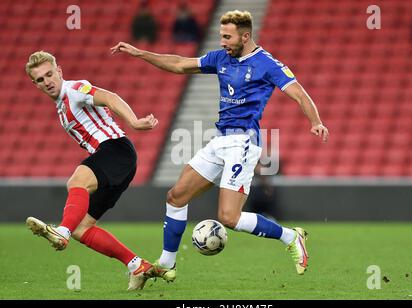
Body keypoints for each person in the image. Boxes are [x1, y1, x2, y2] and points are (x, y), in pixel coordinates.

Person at [111, 10, 329, 281]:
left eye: (227, 37)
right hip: (220, 139)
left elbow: (299, 93)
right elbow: (179, 64)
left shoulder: (267, 64)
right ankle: (167, 263)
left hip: (244, 142)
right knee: (176, 196)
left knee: (229, 217)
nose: (222, 42)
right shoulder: (220, 58)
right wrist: (141, 53)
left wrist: (315, 121)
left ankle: (290, 236)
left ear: (245, 36)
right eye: (221, 36)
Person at [24, 51, 166, 290]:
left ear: (60, 72)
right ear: (34, 84)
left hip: (116, 151)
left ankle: (62, 231)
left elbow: (110, 97)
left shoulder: (75, 89)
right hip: (116, 161)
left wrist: (133, 121)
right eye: (40, 79)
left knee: (76, 181)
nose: (47, 81)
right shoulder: (61, 107)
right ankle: (136, 265)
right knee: (83, 229)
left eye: (50, 74)